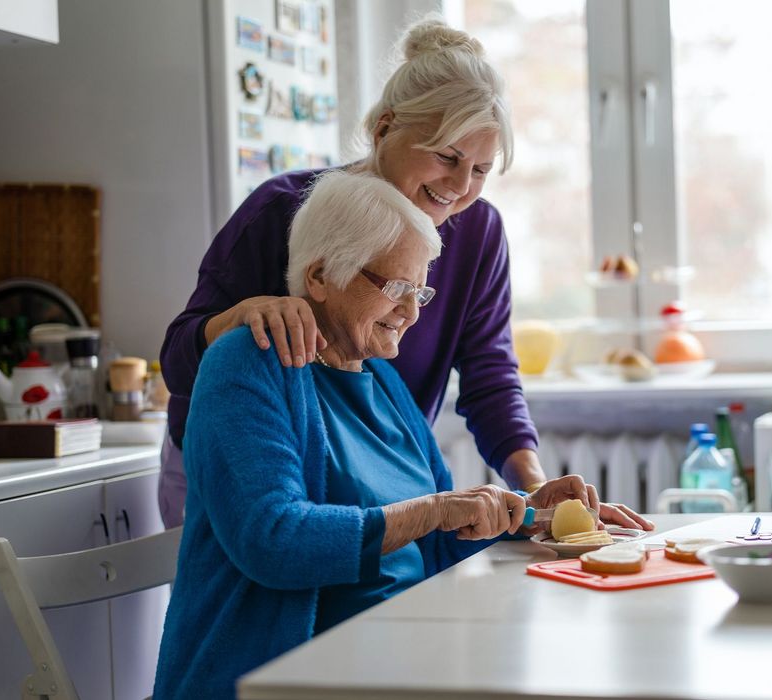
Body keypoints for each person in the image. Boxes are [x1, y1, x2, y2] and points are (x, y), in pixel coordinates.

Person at [158, 16, 652, 532]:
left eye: (481, 170)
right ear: (384, 127)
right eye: (447, 156)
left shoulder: (477, 231)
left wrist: (532, 487)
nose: (461, 186)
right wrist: (238, 317)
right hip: (241, 476)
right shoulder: (281, 210)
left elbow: (489, 374)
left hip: (365, 481)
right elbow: (177, 360)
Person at [154, 171, 604, 699]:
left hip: (403, 659)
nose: (412, 313)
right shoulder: (247, 365)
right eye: (395, 288)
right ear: (320, 276)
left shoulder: (384, 382)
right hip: (287, 678)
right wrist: (434, 509)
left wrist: (529, 516)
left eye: (420, 291)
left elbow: (439, 539)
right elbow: (273, 540)